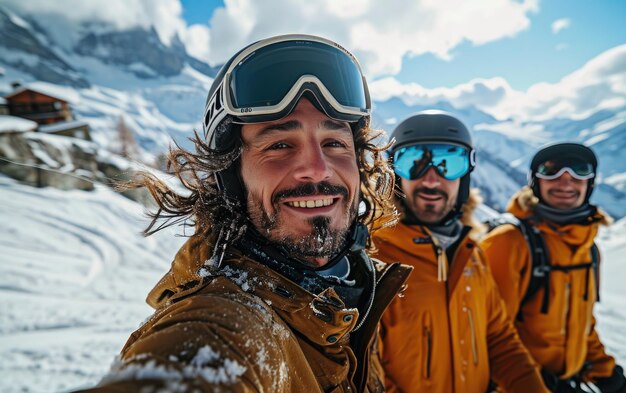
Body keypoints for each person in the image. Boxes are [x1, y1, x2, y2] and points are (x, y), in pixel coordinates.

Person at [79, 34, 412, 392]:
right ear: (232, 175)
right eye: (280, 145)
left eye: (334, 143)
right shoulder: (224, 321)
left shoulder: (358, 288)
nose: (318, 169)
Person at [374, 110, 548, 393]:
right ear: (394, 173)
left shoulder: (472, 254)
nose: (431, 180)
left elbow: (499, 338)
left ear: (465, 175)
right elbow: (368, 375)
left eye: (448, 163)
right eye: (413, 162)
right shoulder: (373, 258)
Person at [480, 143, 625, 392]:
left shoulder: (587, 248)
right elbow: (487, 335)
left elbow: (581, 324)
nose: (566, 182)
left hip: (566, 381)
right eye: (552, 171)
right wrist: (535, 380)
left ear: (590, 183)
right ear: (536, 181)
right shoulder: (508, 242)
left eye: (580, 171)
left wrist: (606, 372)